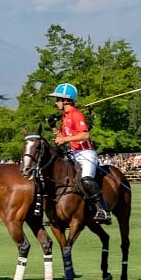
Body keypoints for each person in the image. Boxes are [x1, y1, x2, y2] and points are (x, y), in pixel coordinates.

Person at [48, 83, 111, 224]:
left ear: (66, 100)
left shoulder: (76, 114)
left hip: (86, 153)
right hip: (73, 153)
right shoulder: (65, 117)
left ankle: (103, 210)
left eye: (57, 99)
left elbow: (85, 135)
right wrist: (52, 127)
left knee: (86, 179)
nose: (56, 102)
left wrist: (64, 138)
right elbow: (61, 139)